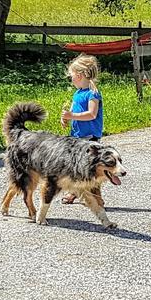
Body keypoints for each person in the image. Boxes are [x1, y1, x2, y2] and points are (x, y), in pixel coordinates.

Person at [59, 54, 104, 204]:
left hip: (90, 137)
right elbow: (73, 112)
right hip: (76, 137)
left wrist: (72, 115)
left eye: (71, 76)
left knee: (90, 167)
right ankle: (74, 192)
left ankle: (96, 196)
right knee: (74, 166)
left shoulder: (93, 93)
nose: (71, 79)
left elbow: (92, 114)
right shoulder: (77, 93)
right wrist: (66, 118)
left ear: (79, 75)